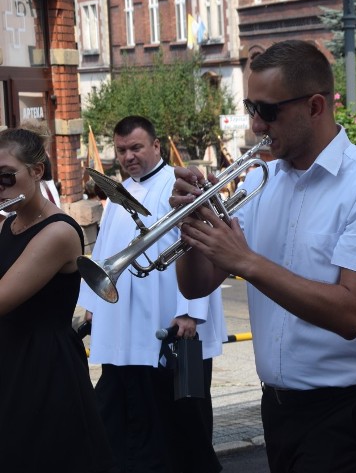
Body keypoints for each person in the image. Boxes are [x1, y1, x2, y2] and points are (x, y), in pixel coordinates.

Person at [171, 40, 356, 473]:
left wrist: (246, 261)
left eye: (267, 110)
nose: (255, 123)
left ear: (316, 106)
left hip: (350, 407)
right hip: (280, 405)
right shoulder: (261, 180)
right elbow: (195, 284)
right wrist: (190, 228)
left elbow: (352, 313)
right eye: (250, 107)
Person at [77, 116, 226, 473]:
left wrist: (191, 311)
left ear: (156, 146)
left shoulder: (180, 183)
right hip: (123, 329)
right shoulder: (119, 194)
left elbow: (201, 246)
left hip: (169, 327)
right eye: (122, 149)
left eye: (136, 147)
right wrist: (93, 307)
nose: (128, 156)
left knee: (178, 427)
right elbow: (104, 254)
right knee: (120, 421)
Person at [0, 127, 113, 472]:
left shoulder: (59, 232)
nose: (0, 187)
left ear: (36, 171)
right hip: (11, 353)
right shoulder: (11, 223)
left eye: (6, 177)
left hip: (42, 366)